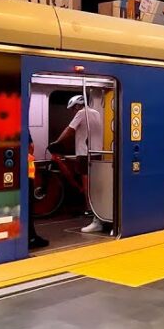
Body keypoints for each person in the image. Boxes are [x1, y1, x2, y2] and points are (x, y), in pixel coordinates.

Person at [49, 95, 106, 233]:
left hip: (84, 154)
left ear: (77, 106)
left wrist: (57, 142)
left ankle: (93, 216)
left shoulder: (81, 113)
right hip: (96, 153)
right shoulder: (97, 113)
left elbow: (69, 130)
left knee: (87, 185)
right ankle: (96, 212)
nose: (73, 112)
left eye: (73, 108)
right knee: (95, 185)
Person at [27, 140, 49, 249]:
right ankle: (30, 237)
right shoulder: (24, 129)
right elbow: (30, 146)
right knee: (28, 205)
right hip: (27, 173)